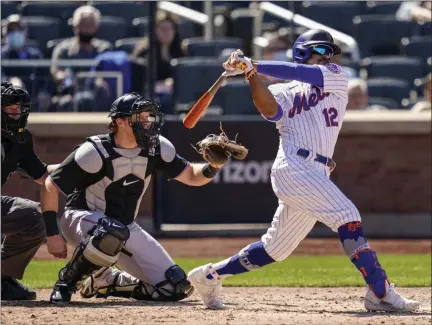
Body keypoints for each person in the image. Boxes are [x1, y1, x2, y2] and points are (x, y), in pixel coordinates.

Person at [187, 29, 420, 312]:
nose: (327, 56)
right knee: (348, 216)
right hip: (293, 167)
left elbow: (298, 72)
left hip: (316, 171)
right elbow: (269, 110)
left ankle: (209, 275)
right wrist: (250, 74)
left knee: (276, 249)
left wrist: (253, 64)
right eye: (321, 51)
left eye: (329, 52)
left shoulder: (336, 75)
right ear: (302, 51)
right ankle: (381, 293)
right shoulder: (282, 91)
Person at [40, 93, 231, 304]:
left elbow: (192, 176)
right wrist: (52, 235)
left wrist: (214, 166)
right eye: (139, 118)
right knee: (110, 232)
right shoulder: (95, 151)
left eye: (148, 117)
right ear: (120, 122)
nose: (147, 123)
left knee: (175, 287)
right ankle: (65, 283)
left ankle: (106, 282)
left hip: (125, 227)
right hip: (81, 219)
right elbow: (50, 185)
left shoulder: (157, 148)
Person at [1, 81, 67, 300]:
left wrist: (76, 165)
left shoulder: (20, 139)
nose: (17, 114)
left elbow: (42, 175)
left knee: (35, 216)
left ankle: (2, 278)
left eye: (19, 109)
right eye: (10, 109)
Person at [130, 11, 184, 100]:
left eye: (171, 28)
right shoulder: (145, 52)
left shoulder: (180, 51)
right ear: (154, 31)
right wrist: (160, 85)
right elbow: (140, 84)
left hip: (175, 96)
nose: (167, 32)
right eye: (163, 29)